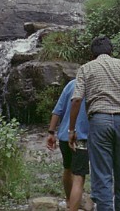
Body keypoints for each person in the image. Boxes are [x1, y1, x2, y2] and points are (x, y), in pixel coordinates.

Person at [69, 36, 120, 211]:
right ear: (111, 51)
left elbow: (76, 100)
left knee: (102, 177)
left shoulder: (86, 68)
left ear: (92, 54)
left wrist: (71, 129)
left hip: (99, 122)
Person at [46, 79, 90, 211]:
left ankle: (69, 202)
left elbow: (57, 110)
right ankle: (73, 207)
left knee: (67, 168)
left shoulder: (72, 84)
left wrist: (51, 132)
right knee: (79, 177)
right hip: (80, 136)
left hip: (64, 135)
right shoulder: (95, 84)